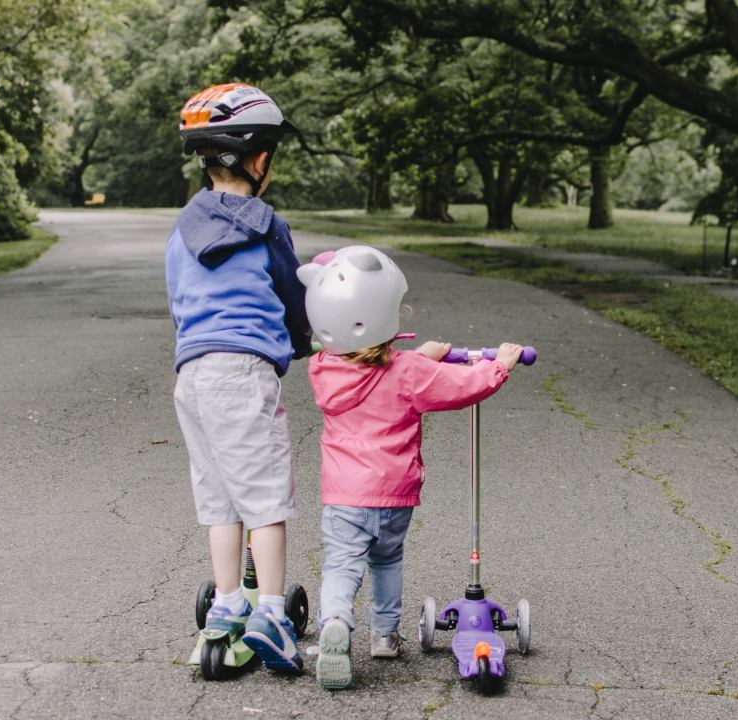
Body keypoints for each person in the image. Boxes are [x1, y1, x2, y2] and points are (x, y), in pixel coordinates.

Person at [295, 245, 523, 689]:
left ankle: (335, 623)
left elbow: (375, 366)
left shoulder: (324, 369)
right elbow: (461, 386)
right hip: (394, 494)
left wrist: (422, 356)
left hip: (344, 494)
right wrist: (499, 366)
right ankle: (384, 636)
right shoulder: (409, 372)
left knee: (342, 565)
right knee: (387, 560)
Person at [166, 83, 311, 674]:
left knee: (219, 498)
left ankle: (226, 605)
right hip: (243, 372)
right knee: (266, 497)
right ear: (258, 160)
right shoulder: (265, 224)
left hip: (192, 375)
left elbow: (179, 299)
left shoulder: (181, 229)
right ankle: (272, 613)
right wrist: (304, 342)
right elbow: (293, 292)